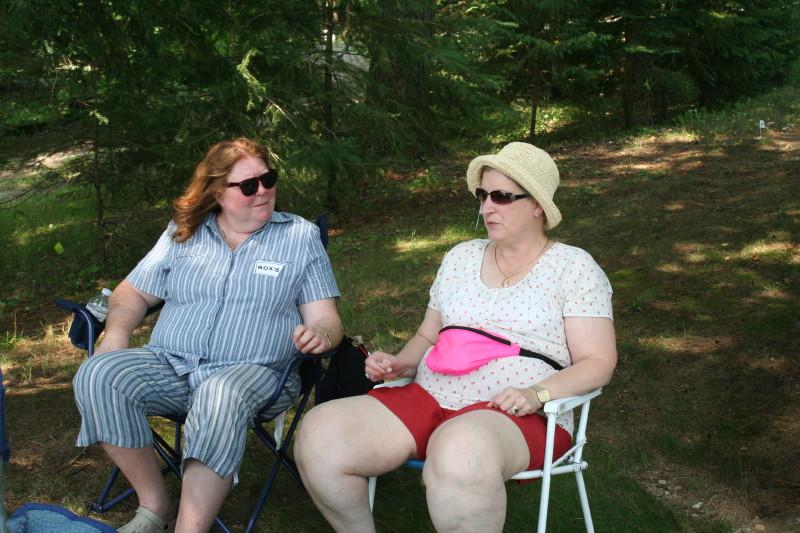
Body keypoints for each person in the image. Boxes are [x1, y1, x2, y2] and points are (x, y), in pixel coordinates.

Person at [294, 142, 617, 532]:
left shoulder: (573, 268)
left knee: (461, 450)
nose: (486, 208)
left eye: (501, 196)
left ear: (537, 205)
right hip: (429, 396)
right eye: (483, 195)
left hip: (519, 414)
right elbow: (427, 335)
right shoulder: (461, 257)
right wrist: (402, 362)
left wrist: (537, 394)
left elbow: (598, 363)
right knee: (320, 434)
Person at [73, 137, 343, 533]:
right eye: (248, 185)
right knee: (99, 374)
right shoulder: (184, 232)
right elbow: (132, 292)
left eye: (268, 179)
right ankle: (154, 506)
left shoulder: (298, 237)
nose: (262, 191)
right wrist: (116, 333)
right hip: (169, 363)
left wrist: (320, 334)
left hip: (257, 373)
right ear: (217, 192)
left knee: (219, 393)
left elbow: (327, 318)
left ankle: (190, 527)